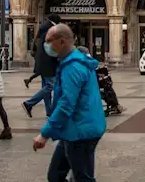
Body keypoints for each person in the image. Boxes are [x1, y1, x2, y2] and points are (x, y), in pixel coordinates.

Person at [33, 23, 106, 182]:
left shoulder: (72, 67)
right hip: (76, 129)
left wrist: (45, 134)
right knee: (56, 175)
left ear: (62, 41)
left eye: (48, 41)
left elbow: (66, 104)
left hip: (80, 132)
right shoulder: (75, 62)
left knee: (81, 178)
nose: (46, 46)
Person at [24, 14, 59, 118]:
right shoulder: (50, 29)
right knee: (50, 86)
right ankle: (29, 103)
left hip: (42, 62)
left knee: (46, 87)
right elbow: (50, 48)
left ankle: (49, 111)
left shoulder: (43, 28)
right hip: (47, 63)